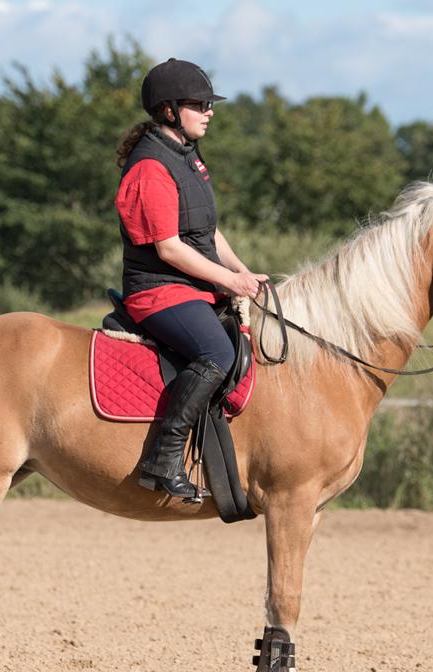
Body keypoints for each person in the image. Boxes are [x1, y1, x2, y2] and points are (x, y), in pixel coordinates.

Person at [115, 58, 267, 500]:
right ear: (168, 111)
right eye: (199, 104)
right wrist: (228, 281)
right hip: (158, 292)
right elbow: (168, 247)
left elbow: (206, 232)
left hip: (192, 286)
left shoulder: (186, 156)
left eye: (208, 104)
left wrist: (240, 271)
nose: (209, 111)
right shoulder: (149, 168)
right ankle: (163, 457)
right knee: (217, 351)